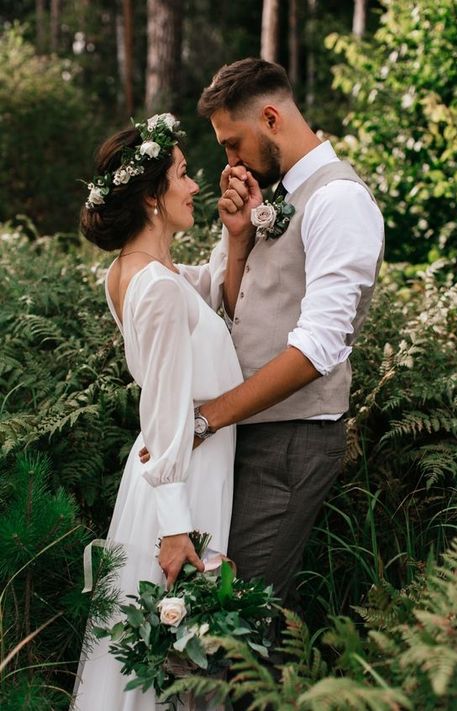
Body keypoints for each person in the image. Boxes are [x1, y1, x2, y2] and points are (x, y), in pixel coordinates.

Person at [144, 58, 385, 608]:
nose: (229, 161)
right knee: (218, 609)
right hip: (246, 431)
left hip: (290, 441)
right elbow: (231, 313)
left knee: (241, 619)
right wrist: (237, 242)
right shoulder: (275, 197)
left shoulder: (338, 200)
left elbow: (317, 350)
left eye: (233, 143)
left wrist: (205, 419)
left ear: (271, 118)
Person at [71, 113, 242, 711]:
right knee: (170, 665)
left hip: (176, 475)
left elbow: (214, 286)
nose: (194, 186)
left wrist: (236, 233)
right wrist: (176, 529)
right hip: (180, 487)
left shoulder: (135, 273)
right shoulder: (160, 289)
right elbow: (165, 404)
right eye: (184, 174)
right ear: (151, 197)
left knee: (163, 663)